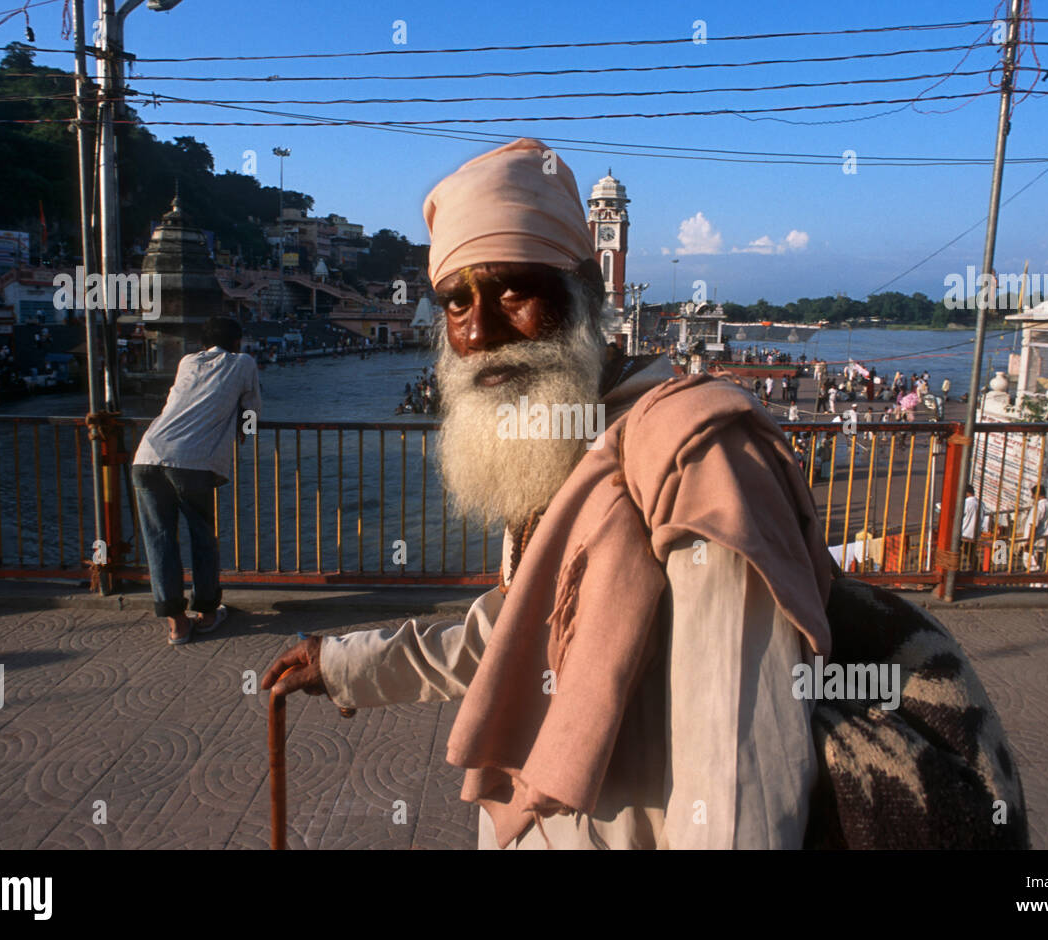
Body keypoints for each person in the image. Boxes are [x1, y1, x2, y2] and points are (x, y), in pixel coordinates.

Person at [261, 138, 836, 849]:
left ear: (586, 293)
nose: (481, 332)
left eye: (515, 291)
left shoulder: (697, 461)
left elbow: (745, 783)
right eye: (457, 302)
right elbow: (515, 638)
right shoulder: (555, 454)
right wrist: (348, 663)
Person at [132, 316, 260, 646]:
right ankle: (205, 613)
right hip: (190, 462)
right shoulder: (243, 363)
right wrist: (243, 432)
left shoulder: (188, 361)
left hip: (146, 454)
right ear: (237, 342)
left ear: (203, 345)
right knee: (202, 536)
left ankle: (177, 624)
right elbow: (251, 414)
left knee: (159, 540)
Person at [1020, 484, 1048, 571]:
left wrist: (1028, 542)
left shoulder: (1038, 507)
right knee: (1039, 564)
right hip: (1044, 540)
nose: (1032, 497)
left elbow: (1033, 525)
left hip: (1034, 541)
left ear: (1036, 494)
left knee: (1030, 566)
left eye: (1033, 495)